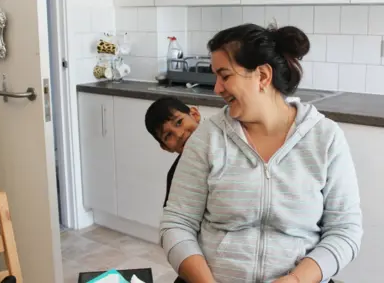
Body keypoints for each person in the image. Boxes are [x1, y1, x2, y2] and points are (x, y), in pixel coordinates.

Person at [160, 23, 363, 283]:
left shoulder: (325, 138)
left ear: (263, 76)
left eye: (225, 76)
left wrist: (296, 280)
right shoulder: (207, 138)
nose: (217, 88)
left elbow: (345, 231)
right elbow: (176, 223)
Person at [144, 96, 201, 207]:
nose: (179, 134)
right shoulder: (175, 176)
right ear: (165, 147)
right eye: (168, 135)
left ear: (195, 115)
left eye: (179, 122)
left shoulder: (227, 142)